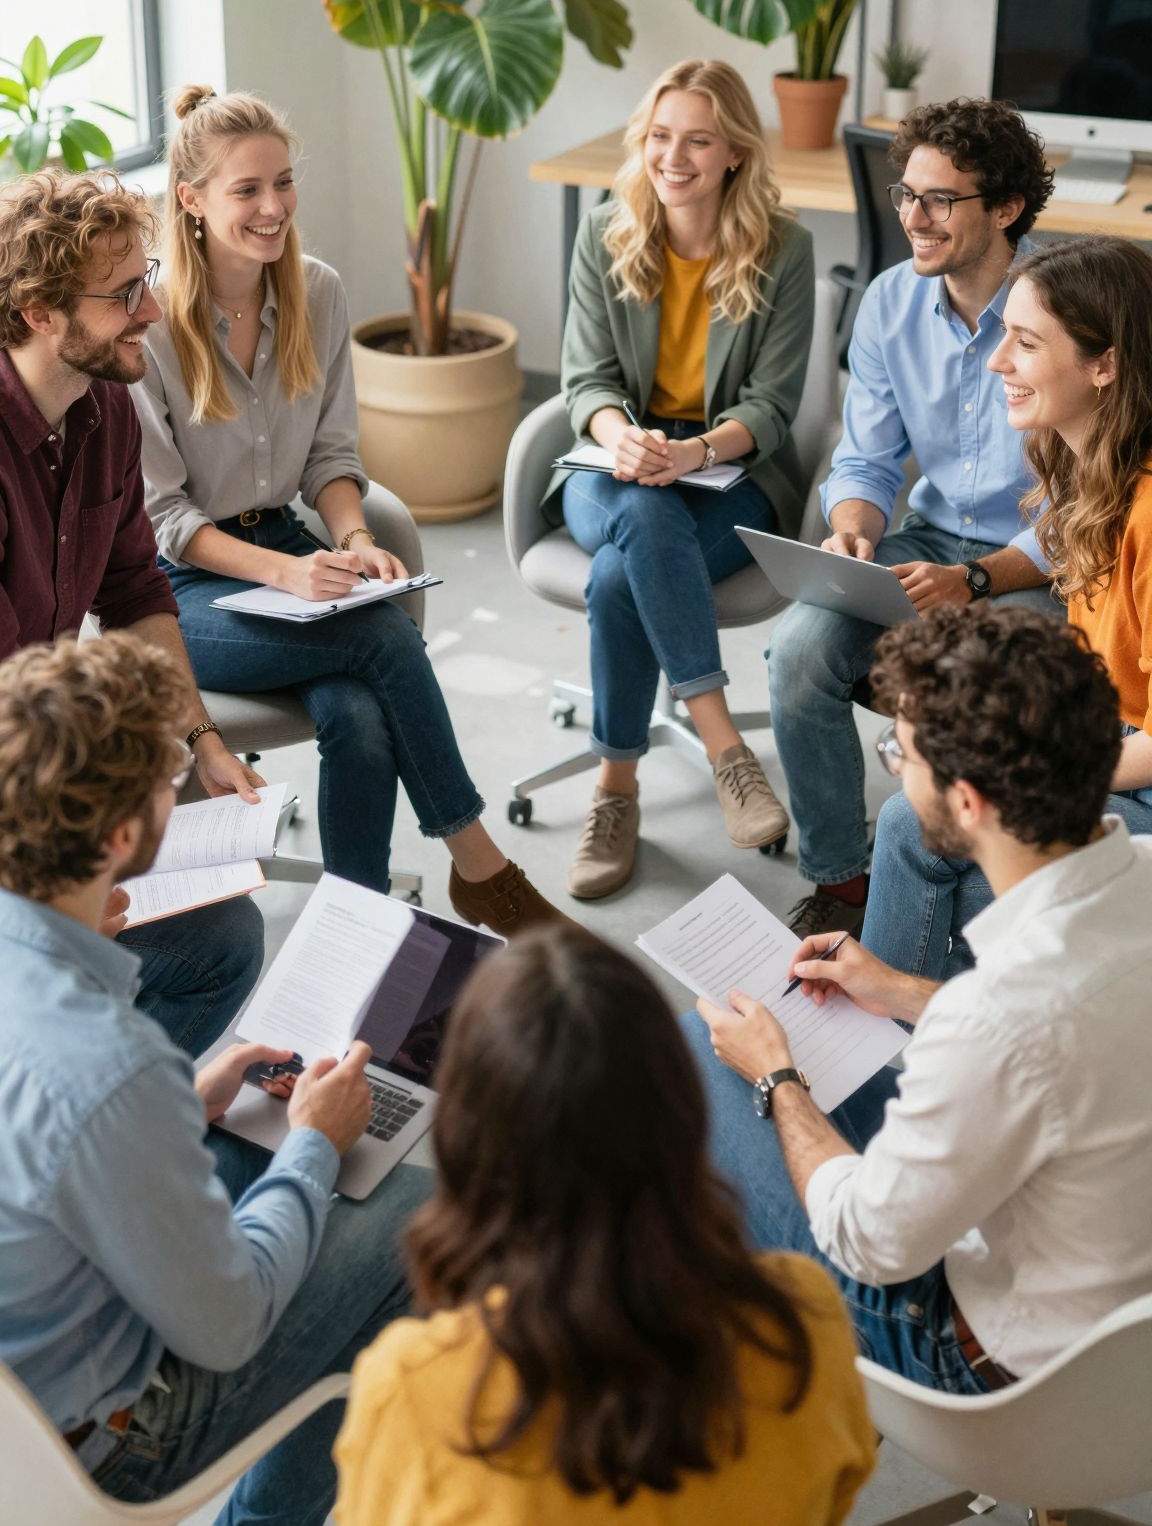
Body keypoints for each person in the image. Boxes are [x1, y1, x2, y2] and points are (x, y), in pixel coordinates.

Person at [0, 631, 432, 1526]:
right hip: (97, 1447)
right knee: (420, 1214)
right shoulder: (112, 1065)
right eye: (167, 777)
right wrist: (317, 1138)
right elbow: (230, 1322)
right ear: (117, 837)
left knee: (239, 1145)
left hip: (15, 1391)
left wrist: (181, 1098)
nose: (180, 792)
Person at [133, 84, 574, 936]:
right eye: (247, 190)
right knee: (381, 636)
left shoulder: (317, 292)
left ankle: (353, 929)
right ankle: (483, 870)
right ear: (189, 200)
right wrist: (289, 573)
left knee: (360, 715)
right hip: (184, 591)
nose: (274, 208)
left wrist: (354, 538)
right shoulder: (152, 331)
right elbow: (167, 523)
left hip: (289, 548)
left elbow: (332, 461)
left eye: (284, 183)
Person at [332, 926, 874, 1526]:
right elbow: (824, 1515)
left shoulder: (413, 1390)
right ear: (678, 1107)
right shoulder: (806, 1316)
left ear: (469, 1138)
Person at [688, 604, 1152, 1393]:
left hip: (997, 1365)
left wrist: (777, 1080)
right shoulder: (1139, 870)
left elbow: (868, 1243)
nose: (895, 770)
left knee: (698, 1051)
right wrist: (897, 989)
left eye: (895, 751)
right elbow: (1061, 1039)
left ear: (967, 801)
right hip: (1122, 1296)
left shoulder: (995, 1018)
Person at [767, 97, 1057, 942]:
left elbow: (1088, 505)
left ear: (1005, 208)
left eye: (939, 200)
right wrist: (854, 527)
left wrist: (976, 579)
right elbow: (865, 456)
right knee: (798, 654)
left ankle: (965, 885)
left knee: (985, 699)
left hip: (1033, 563)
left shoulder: (1058, 306)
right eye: (906, 194)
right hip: (924, 541)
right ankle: (843, 880)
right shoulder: (892, 302)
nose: (912, 218)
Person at [0, 165, 263, 1052]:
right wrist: (65, 906)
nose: (152, 310)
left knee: (225, 939)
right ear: (41, 313)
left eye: (145, 281)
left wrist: (202, 742)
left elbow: (135, 590)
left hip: (31, 773)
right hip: (15, 795)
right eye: (123, 294)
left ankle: (112, 1129)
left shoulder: (104, 407)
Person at [545, 58, 815, 900]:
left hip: (729, 469)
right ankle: (726, 748)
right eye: (661, 137)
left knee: (624, 571)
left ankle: (614, 790)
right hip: (612, 466)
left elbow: (773, 405)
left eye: (697, 140)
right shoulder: (606, 232)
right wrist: (625, 439)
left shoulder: (785, 248)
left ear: (735, 151)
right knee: (641, 516)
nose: (674, 157)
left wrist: (695, 453)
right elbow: (584, 379)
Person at [862, 234, 1152, 981]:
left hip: (1137, 763)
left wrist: (1040, 771)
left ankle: (901, 1059)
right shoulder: (1089, 474)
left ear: (1106, 364)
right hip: (1110, 735)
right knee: (925, 814)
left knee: (917, 828)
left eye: (1025, 343)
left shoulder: (1149, 512)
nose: (997, 362)